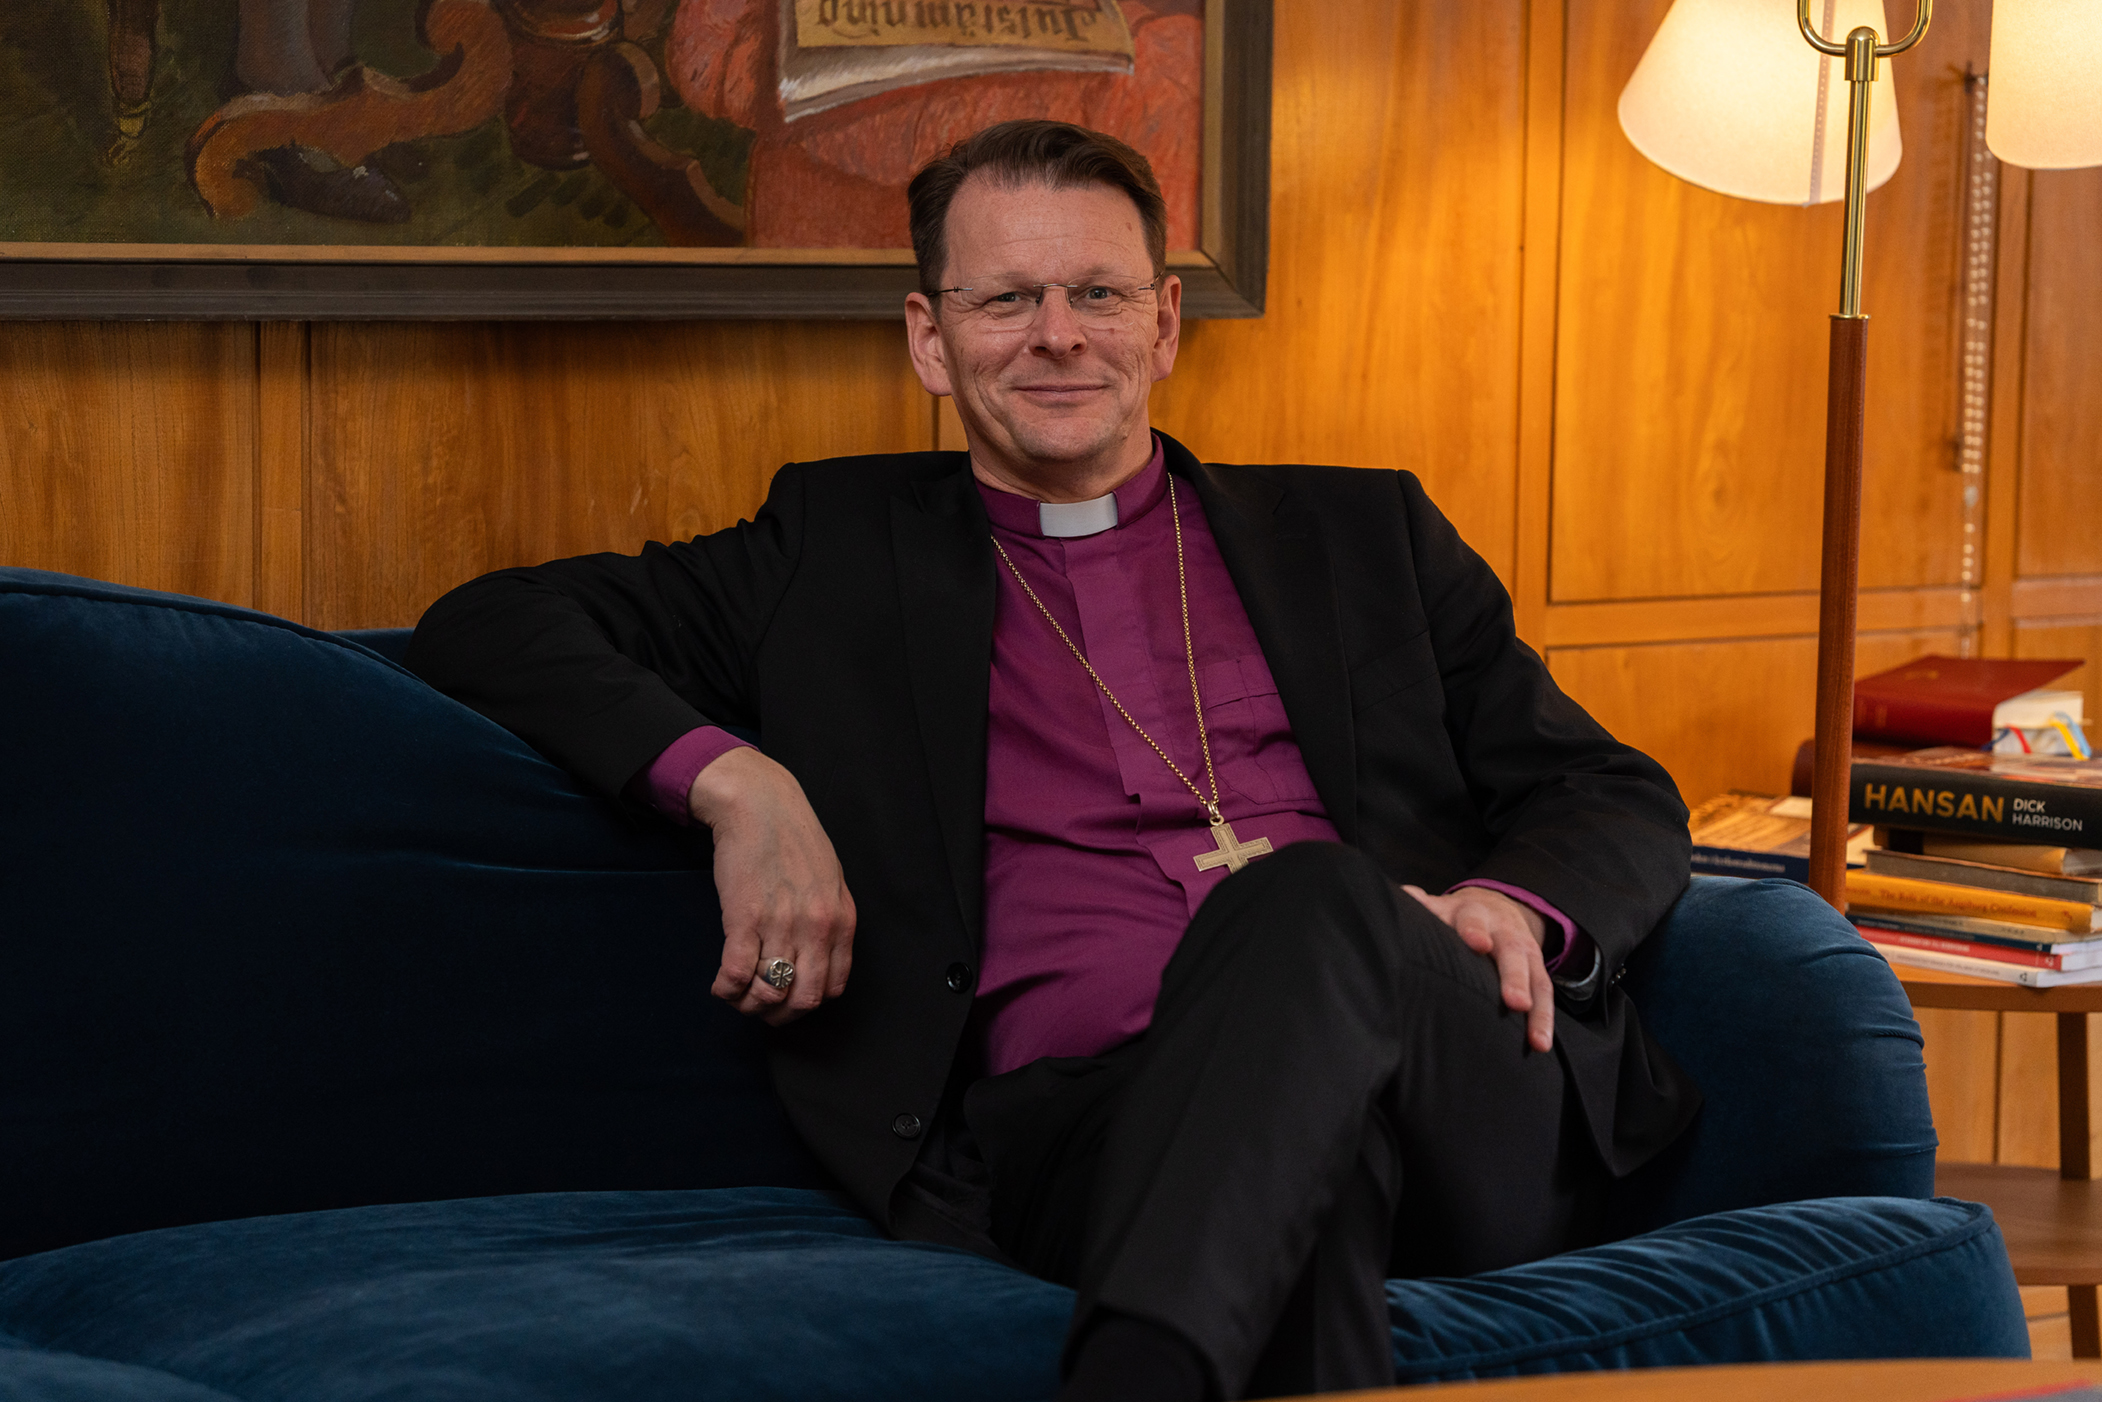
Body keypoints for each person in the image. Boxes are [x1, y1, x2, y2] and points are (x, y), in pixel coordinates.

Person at [407, 119, 1699, 1401]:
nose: (1059, 335)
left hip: (1448, 1076)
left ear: (1164, 323)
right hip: (1087, 1125)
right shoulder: (829, 552)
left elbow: (1608, 789)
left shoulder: (1364, 534)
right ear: (930, 338)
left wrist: (1508, 903)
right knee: (1308, 1182)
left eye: (1098, 294)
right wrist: (742, 785)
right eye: (1007, 298)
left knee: (1302, 899)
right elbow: (492, 623)